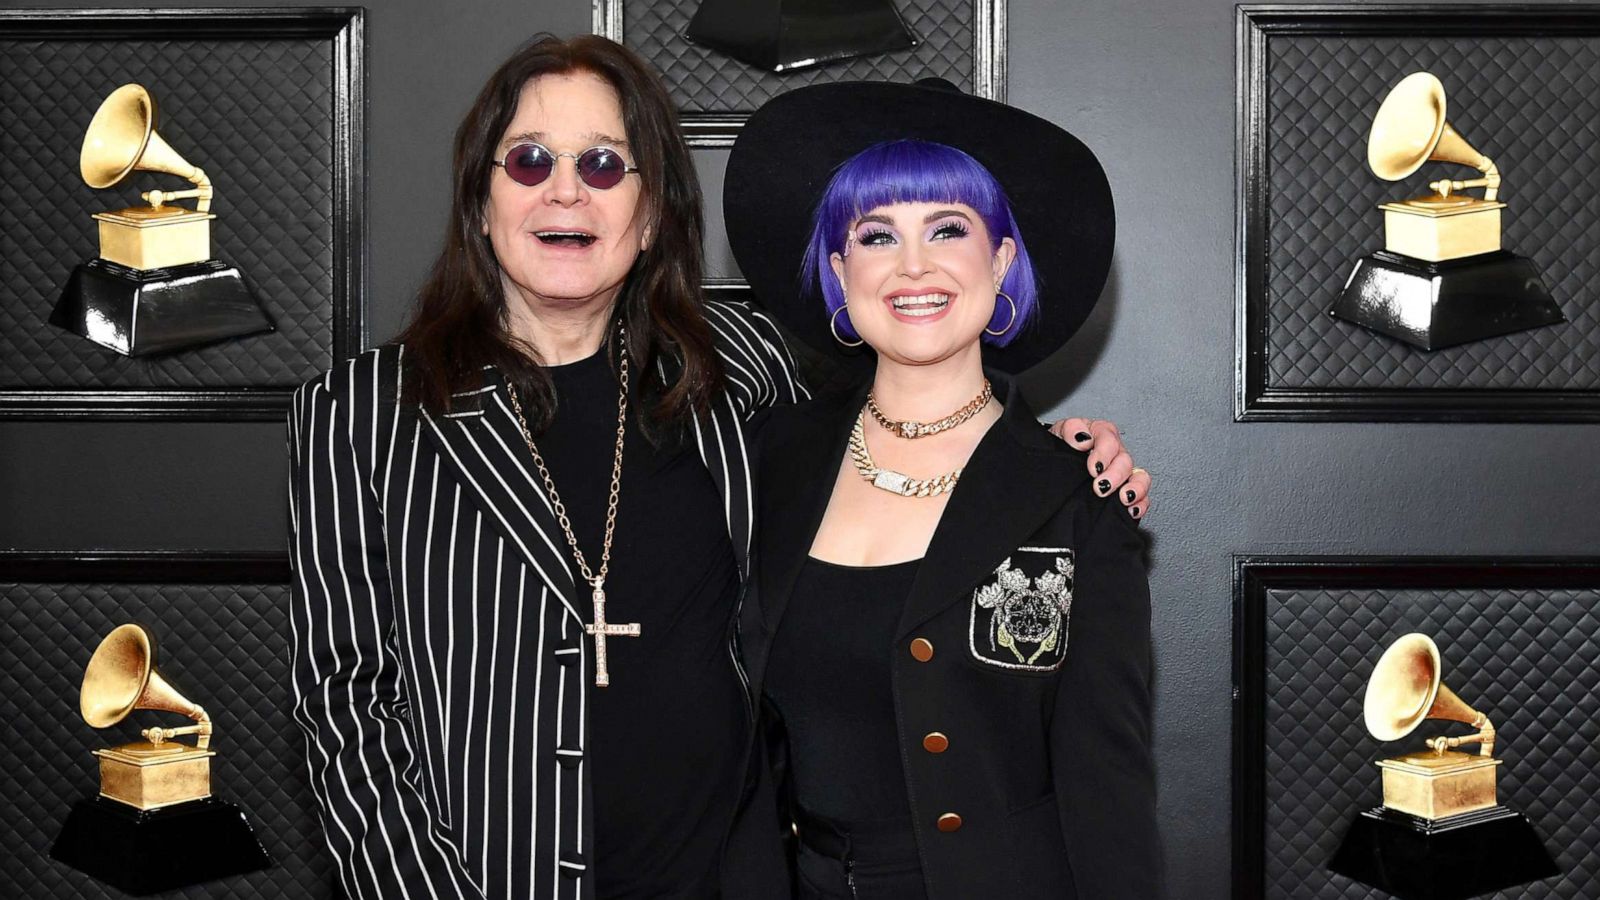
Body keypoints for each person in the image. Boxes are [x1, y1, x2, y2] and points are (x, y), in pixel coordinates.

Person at [287, 35, 1146, 900]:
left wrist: (1051, 455)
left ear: (651, 211)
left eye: (602, 164)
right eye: (531, 159)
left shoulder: (735, 370)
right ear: (480, 199)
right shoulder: (362, 413)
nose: (564, 188)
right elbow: (343, 704)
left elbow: (919, 365)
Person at [725, 80, 1162, 899]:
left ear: (1001, 262)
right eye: (877, 234)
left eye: (949, 229)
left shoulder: (1076, 497)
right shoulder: (761, 461)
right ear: (837, 272)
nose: (913, 265)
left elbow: (1111, 793)